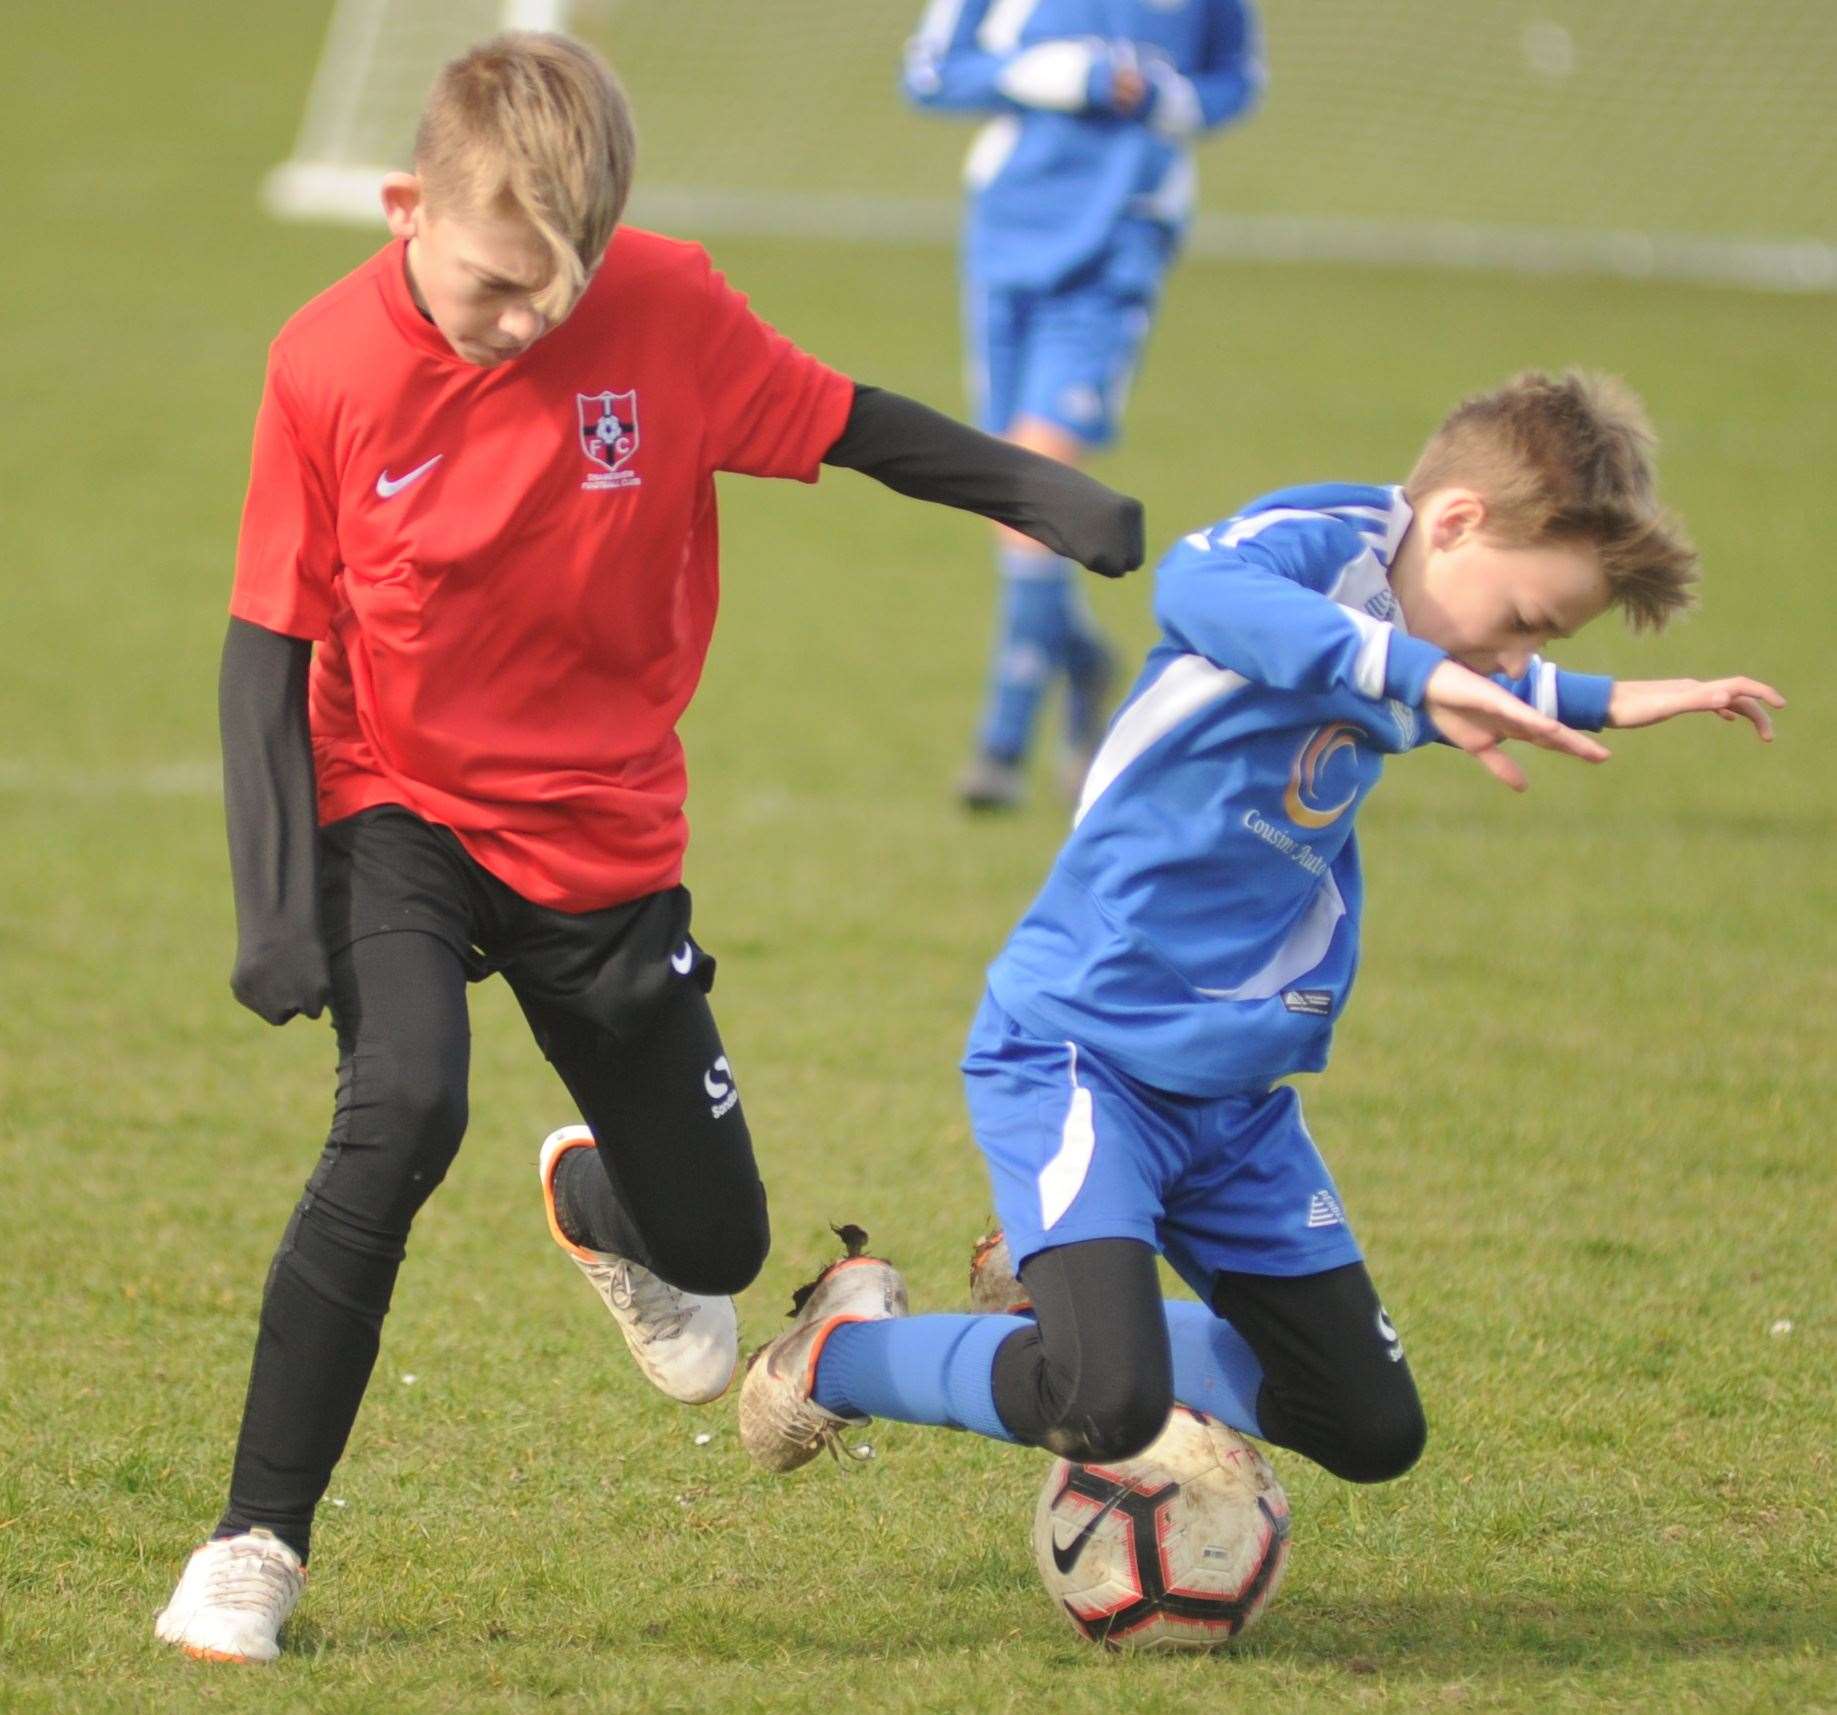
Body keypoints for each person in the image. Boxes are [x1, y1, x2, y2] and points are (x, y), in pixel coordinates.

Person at [155, 31, 1142, 1665]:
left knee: (719, 1253)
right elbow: (266, 643)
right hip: (392, 800)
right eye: (491, 285)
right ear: (412, 207)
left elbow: (846, 420)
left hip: (603, 831)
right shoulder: (323, 362)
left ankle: (604, 1212)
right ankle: (254, 1545)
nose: (528, 323)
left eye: (560, 286)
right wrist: (272, 905)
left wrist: (1042, 496)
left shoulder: (667, 309)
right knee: (403, 1104)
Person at [737, 372, 1784, 1501]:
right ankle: (841, 1350)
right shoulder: (1321, 549)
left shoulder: (1420, 645)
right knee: (1104, 1400)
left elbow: (1448, 665)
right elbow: (1200, 585)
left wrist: (1599, 695)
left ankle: (1076, 1296)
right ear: (1456, 522)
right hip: (1081, 1053)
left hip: (1234, 1102)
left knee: (1368, 1426)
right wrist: (1421, 672)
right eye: (1521, 621)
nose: (1501, 660)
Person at [902, 0, 1263, 808]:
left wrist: (1166, 96)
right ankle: (1084, 664)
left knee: (1033, 469)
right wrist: (1047, 75)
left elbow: (1235, 82)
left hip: (1119, 241)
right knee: (1005, 486)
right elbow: (928, 76)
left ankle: (1000, 745)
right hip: (1006, 237)